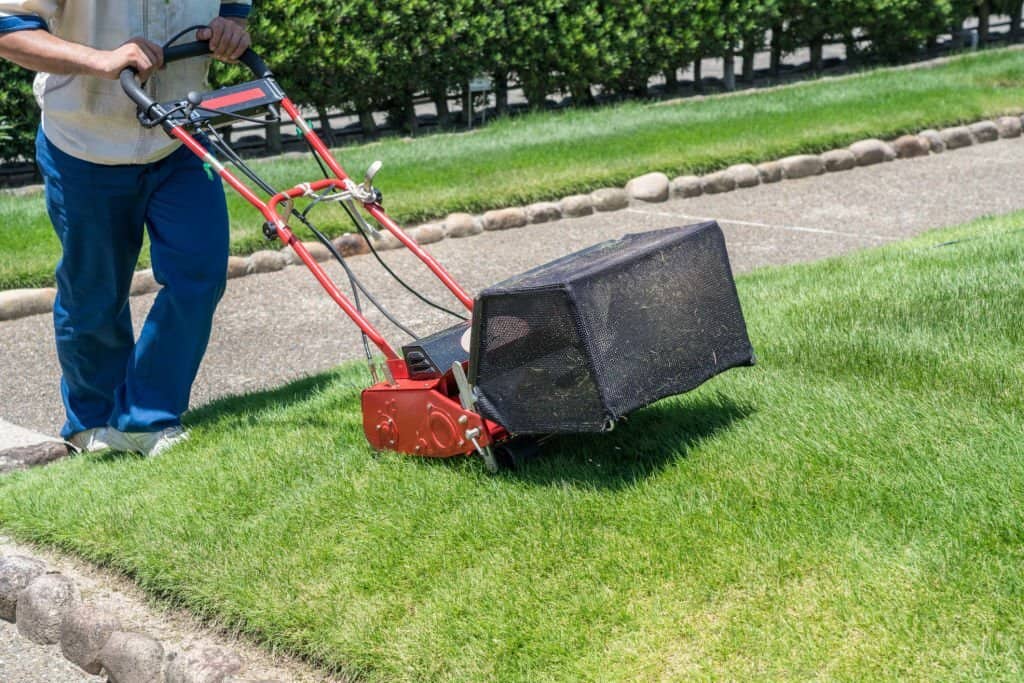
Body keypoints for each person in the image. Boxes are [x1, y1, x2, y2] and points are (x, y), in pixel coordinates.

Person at [0, 2, 252, 456]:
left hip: (179, 136)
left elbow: (233, 11)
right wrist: (100, 60)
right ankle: (92, 420)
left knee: (200, 271)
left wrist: (229, 31)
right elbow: (9, 30)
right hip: (83, 143)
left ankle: (147, 418)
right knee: (94, 291)